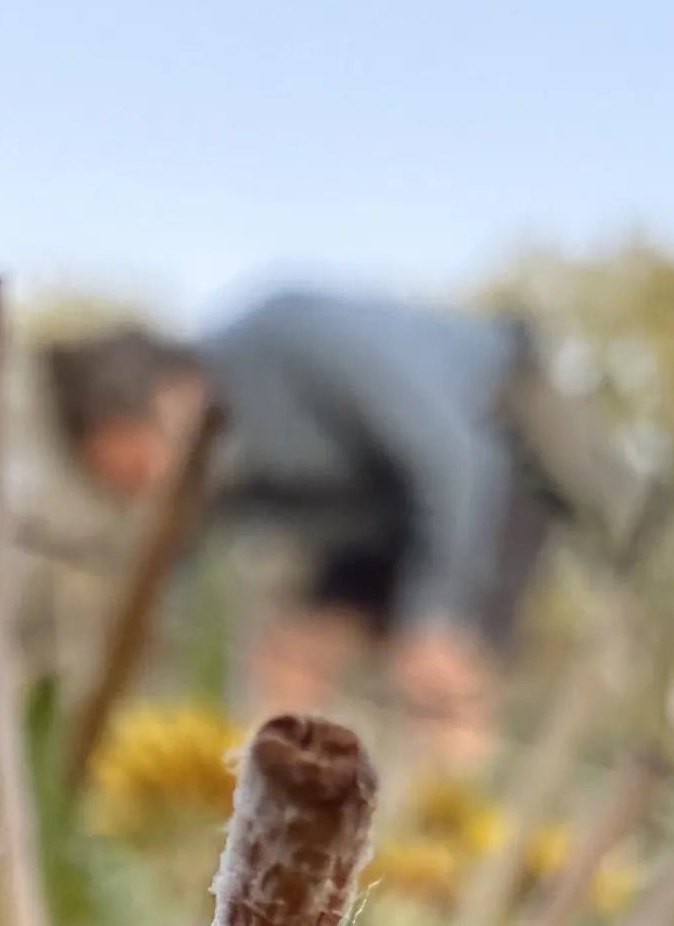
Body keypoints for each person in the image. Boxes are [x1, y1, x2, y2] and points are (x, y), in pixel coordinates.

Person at [43, 288, 634, 762]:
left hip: (488, 452)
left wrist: (434, 615)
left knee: (441, 673)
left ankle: (448, 870)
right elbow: (173, 577)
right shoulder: (209, 469)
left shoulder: (294, 339)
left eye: (146, 472)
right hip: (382, 511)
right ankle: (264, 848)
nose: (150, 498)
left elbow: (451, 458)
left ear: (175, 396)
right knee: (289, 658)